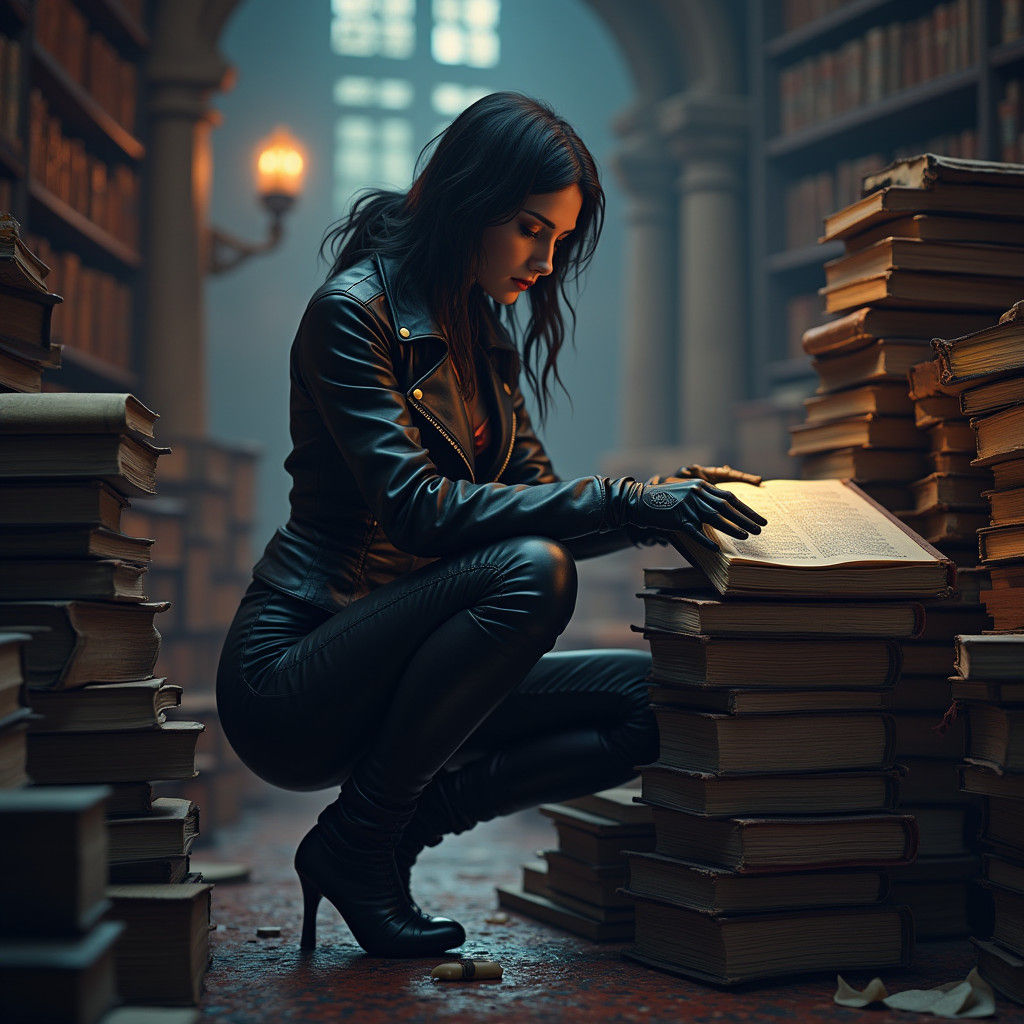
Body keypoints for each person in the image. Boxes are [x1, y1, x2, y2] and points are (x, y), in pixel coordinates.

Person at [215, 92, 767, 960]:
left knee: (656, 706)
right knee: (533, 570)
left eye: (560, 240)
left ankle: (382, 837)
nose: (545, 263)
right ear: (470, 199)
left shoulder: (481, 328)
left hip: (413, 670)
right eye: (530, 230)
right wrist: (626, 501)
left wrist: (669, 503)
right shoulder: (350, 314)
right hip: (297, 673)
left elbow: (539, 497)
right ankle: (364, 839)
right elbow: (418, 509)